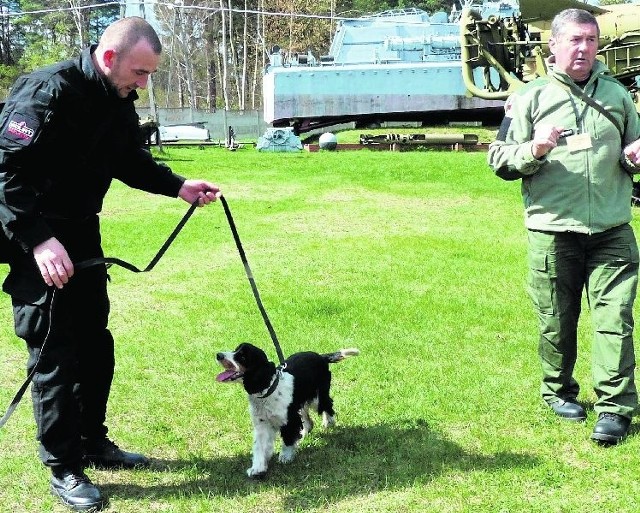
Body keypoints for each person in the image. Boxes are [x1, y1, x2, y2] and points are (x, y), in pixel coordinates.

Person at [0, 16, 221, 511]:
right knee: (54, 352)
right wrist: (38, 240)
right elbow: (5, 172)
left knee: (95, 343)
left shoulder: (117, 101)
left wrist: (178, 185)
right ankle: (63, 465)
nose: (144, 84)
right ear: (108, 58)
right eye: (140, 72)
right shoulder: (46, 93)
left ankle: (92, 441)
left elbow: (128, 161)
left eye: (149, 75)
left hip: (80, 230)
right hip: (32, 232)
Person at [488, 8, 640, 446]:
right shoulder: (530, 97)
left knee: (616, 319)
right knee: (557, 319)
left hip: (612, 230)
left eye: (591, 40)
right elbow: (499, 160)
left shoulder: (617, 96)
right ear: (553, 45)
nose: (583, 48)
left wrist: (634, 156)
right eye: (574, 40)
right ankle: (557, 391)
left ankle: (615, 408)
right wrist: (533, 150)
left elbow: (634, 146)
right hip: (554, 231)